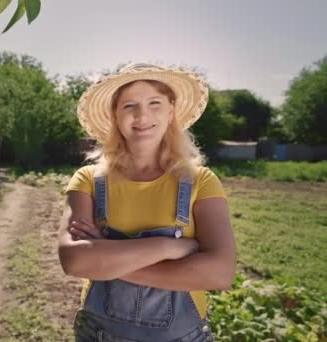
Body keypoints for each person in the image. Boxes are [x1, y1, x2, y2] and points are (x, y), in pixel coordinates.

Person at [58, 63, 236, 342]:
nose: (142, 115)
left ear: (171, 111)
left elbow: (220, 273)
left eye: (155, 103)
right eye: (129, 105)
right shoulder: (88, 180)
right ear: (115, 115)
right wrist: (171, 247)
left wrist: (107, 258)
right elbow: (74, 260)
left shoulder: (201, 182)